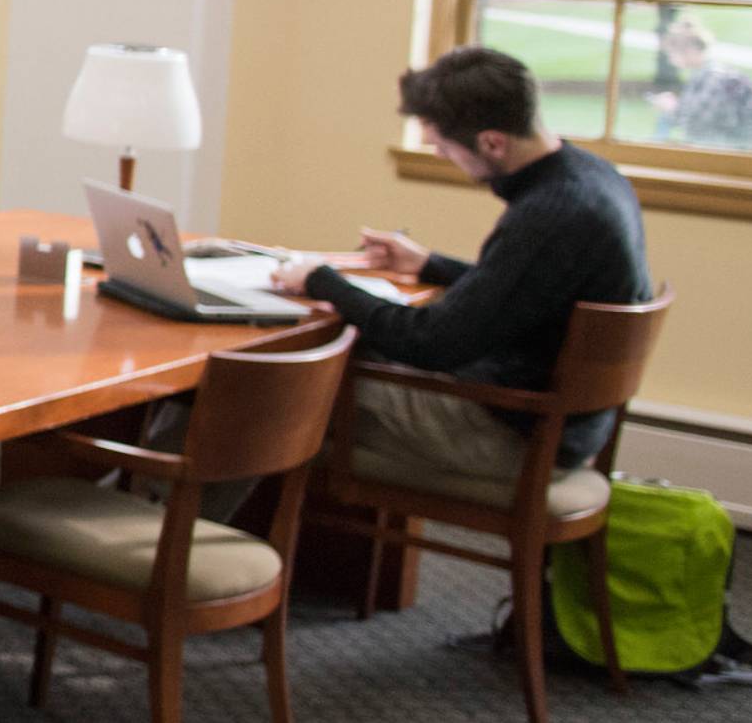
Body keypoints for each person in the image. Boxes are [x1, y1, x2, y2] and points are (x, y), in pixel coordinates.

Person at [266, 45, 654, 510]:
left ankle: (175, 551)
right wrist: (429, 265)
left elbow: (431, 344)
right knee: (317, 368)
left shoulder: (549, 215)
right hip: (561, 422)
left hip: (514, 435)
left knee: (271, 393)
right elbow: (527, 290)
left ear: (491, 142)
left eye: (444, 148)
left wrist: (322, 282)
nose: (446, 158)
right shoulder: (592, 177)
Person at [649, 19, 752, 150]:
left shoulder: (714, 78)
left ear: (689, 50)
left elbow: (698, 123)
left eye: (672, 53)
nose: (670, 59)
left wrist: (671, 108)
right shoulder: (701, 75)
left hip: (732, 149)